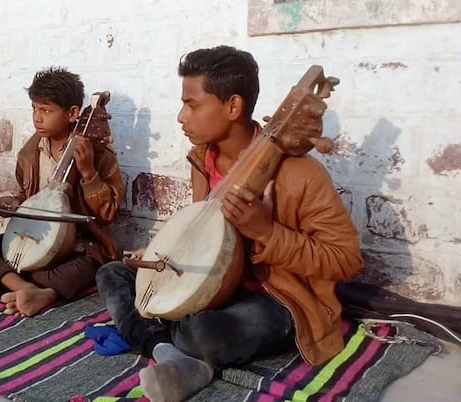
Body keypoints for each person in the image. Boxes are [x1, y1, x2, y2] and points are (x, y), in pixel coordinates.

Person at [95, 46, 363, 401]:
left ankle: (164, 342)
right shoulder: (202, 159)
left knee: (201, 331)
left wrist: (268, 233)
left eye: (192, 104)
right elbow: (207, 236)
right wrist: (165, 253)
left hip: (276, 298)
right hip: (210, 284)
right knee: (112, 274)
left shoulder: (302, 174)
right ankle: (171, 354)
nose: (181, 116)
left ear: (233, 106)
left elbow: (346, 260)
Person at [0, 67, 125, 317]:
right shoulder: (30, 153)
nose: (37, 118)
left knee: (91, 263)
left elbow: (107, 215)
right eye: (34, 108)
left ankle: (40, 291)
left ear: (73, 113)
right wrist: (13, 203)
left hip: (74, 245)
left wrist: (88, 173)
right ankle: (26, 287)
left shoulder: (98, 157)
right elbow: (30, 198)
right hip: (33, 239)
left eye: (46, 110)